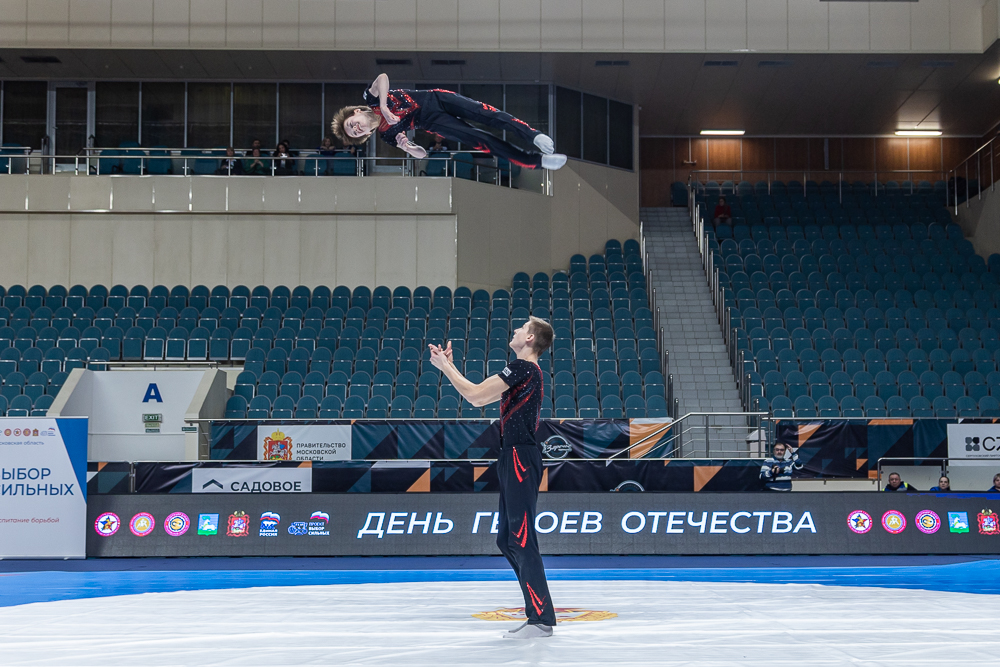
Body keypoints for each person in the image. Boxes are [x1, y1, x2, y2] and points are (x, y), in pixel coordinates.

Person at [428, 317, 557, 639]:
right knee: (507, 539)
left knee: (522, 538)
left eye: (519, 328)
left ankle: (541, 619)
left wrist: (446, 368)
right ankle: (537, 616)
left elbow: (474, 396)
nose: (513, 331)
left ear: (529, 338)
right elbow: (478, 396)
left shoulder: (522, 368)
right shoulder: (524, 371)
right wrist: (448, 367)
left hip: (519, 456)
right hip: (513, 454)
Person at [331, 73, 567, 171]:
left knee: (488, 114)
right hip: (432, 121)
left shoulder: (370, 99)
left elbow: (382, 78)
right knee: (481, 140)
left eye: (352, 124)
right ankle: (536, 162)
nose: (356, 128)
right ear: (363, 136)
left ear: (357, 112)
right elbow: (422, 155)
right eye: (354, 133)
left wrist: (383, 105)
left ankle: (533, 135)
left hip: (437, 98)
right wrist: (409, 147)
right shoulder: (387, 134)